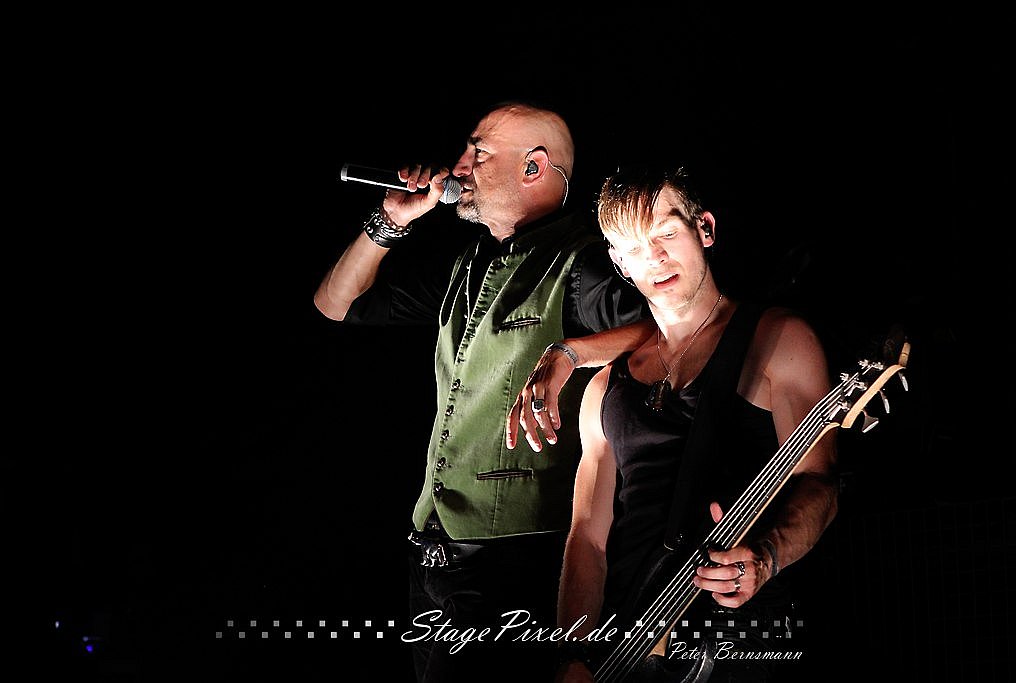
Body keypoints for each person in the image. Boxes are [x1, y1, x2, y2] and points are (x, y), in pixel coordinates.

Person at [313, 101, 654, 682]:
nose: (459, 166)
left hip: (513, 563)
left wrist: (570, 353)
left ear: (533, 167)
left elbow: (667, 330)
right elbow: (336, 304)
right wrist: (389, 221)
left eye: (479, 151)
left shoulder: (585, 264)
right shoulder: (468, 264)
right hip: (432, 554)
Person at [510, 166, 840, 682]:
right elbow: (588, 537)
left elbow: (819, 482)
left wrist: (766, 557)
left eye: (666, 233)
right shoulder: (603, 388)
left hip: (738, 640)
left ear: (704, 229)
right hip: (625, 645)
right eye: (634, 248)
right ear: (619, 263)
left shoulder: (779, 341)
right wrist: (572, 655)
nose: (655, 258)